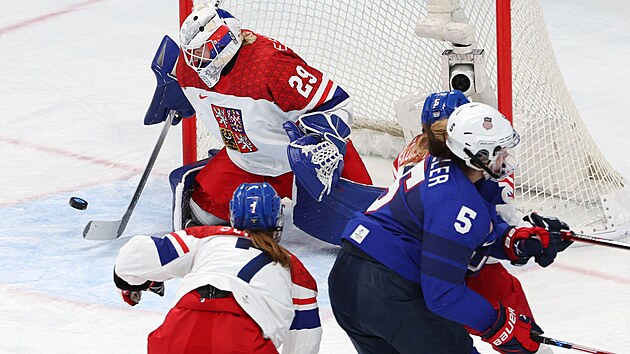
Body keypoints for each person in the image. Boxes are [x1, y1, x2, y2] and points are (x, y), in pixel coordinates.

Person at [328, 102, 572, 354]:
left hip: (347, 280)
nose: (506, 157)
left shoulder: (441, 163)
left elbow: (457, 230)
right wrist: (499, 325)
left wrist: (513, 240)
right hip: (389, 291)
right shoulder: (457, 203)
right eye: (500, 151)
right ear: (479, 156)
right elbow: (442, 293)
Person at [167, 3, 372, 226]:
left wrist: (320, 144)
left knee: (364, 222)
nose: (195, 60)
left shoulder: (271, 66)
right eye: (191, 53)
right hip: (247, 161)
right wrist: (168, 91)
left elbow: (335, 103)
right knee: (204, 213)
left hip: (304, 165)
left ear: (223, 43)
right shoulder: (189, 68)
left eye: (202, 51)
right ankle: (214, 164)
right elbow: (170, 68)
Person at [113, 182, 322, 354]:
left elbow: (131, 258)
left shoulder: (206, 236)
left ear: (232, 216)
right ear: (278, 220)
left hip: (177, 334)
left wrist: (135, 283)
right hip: (240, 341)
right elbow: (304, 343)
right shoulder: (295, 269)